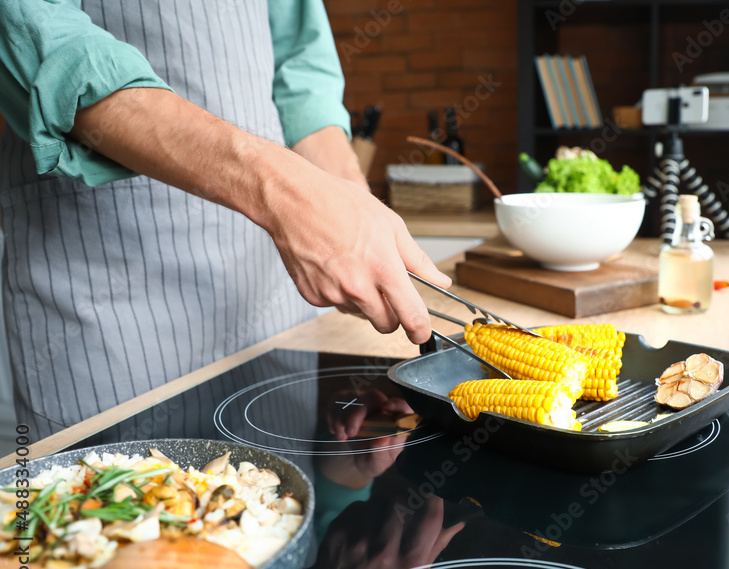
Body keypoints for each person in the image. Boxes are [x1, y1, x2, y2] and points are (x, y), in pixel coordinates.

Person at [0, 0, 449, 439]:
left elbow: (301, 64)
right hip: (112, 291)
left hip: (273, 297)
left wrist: (353, 207)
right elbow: (47, 40)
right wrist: (284, 193)